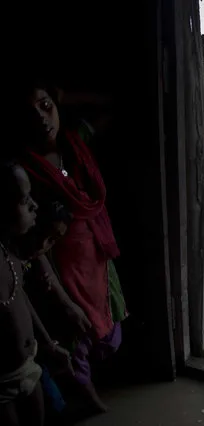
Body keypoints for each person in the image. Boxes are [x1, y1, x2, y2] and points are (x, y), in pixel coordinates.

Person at [12, 77, 127, 414]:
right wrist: (60, 298)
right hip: (60, 269)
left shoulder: (75, 147)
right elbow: (34, 247)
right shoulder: (23, 171)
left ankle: (96, 396)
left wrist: (67, 96)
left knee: (108, 332)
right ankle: (93, 407)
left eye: (46, 107)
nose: (41, 119)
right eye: (29, 113)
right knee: (74, 342)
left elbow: (111, 105)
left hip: (97, 259)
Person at [0, 160, 74, 426]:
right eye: (23, 200)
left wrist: (48, 343)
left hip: (29, 365)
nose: (34, 206)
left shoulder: (12, 257)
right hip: (4, 382)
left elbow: (20, 300)